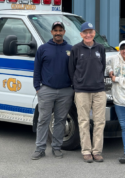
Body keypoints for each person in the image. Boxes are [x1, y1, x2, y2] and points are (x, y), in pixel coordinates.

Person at [32, 21, 74, 160]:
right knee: (43, 120)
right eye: (55, 30)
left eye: (60, 30)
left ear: (64, 32)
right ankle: (40, 149)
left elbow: (75, 69)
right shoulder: (43, 49)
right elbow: (37, 69)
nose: (58, 32)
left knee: (60, 120)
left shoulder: (70, 49)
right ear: (51, 32)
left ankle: (56, 148)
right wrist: (38, 88)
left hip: (65, 91)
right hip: (46, 90)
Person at [68, 22, 106, 163]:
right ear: (81, 34)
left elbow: (102, 67)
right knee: (83, 121)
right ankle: (86, 151)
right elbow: (71, 70)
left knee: (99, 122)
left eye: (91, 32)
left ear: (94, 33)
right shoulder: (76, 49)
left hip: (99, 91)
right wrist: (77, 85)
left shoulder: (100, 48)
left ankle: (97, 151)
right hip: (82, 91)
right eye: (85, 32)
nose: (88, 35)